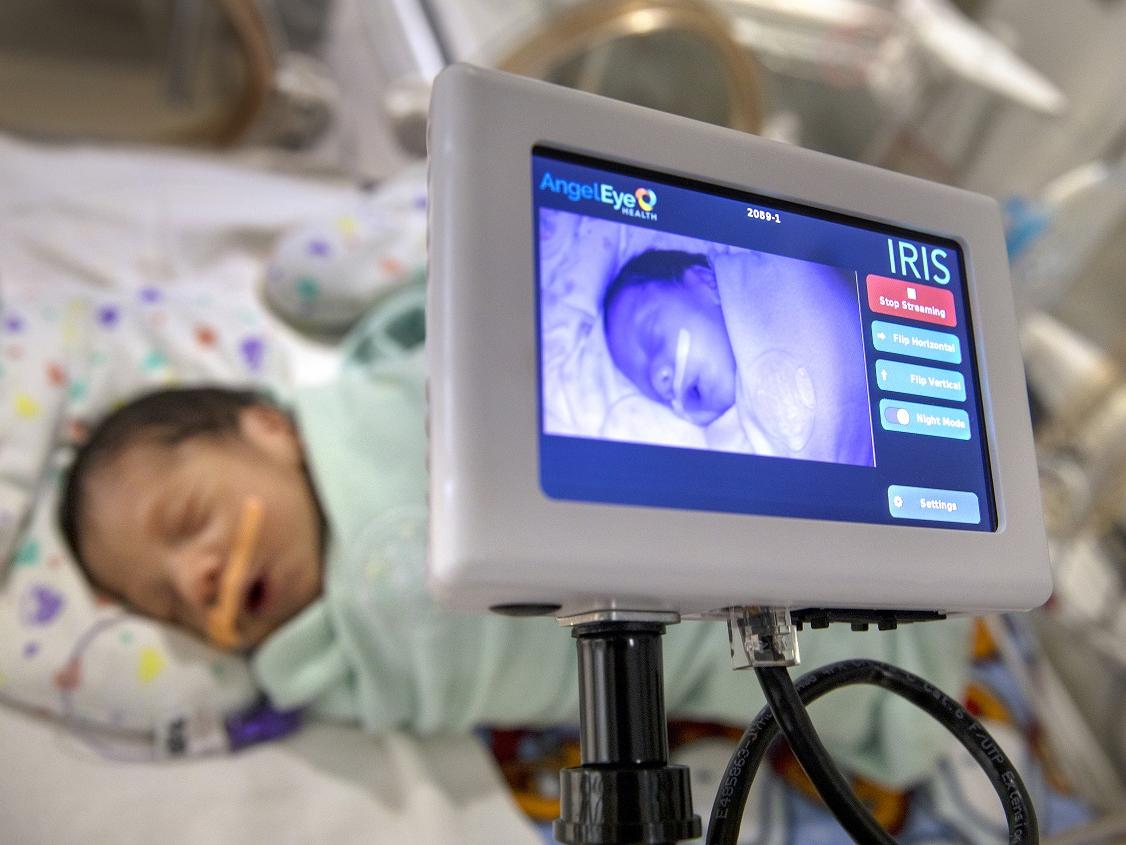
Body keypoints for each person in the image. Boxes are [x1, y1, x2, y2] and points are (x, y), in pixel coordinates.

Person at [58, 280, 967, 786]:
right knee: (816, 672)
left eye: (187, 522)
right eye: (169, 601)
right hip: (688, 645)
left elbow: (464, 321)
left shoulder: (373, 403)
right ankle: (905, 692)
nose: (197, 574)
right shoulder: (318, 660)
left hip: (676, 513)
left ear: (266, 426)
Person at [603, 248, 874, 465]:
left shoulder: (778, 271)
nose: (658, 376)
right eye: (654, 391)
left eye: (652, 334)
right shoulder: (733, 444)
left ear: (703, 280)